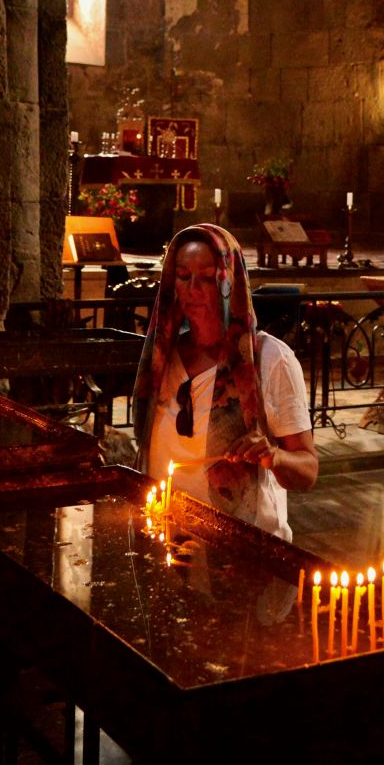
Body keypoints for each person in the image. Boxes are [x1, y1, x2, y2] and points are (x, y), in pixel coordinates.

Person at [133, 224, 318, 541]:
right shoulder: (162, 359)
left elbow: (308, 471)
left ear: (230, 282)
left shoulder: (270, 360)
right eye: (183, 276)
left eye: (207, 278)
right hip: (169, 542)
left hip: (244, 547)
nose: (193, 289)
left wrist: (274, 456)